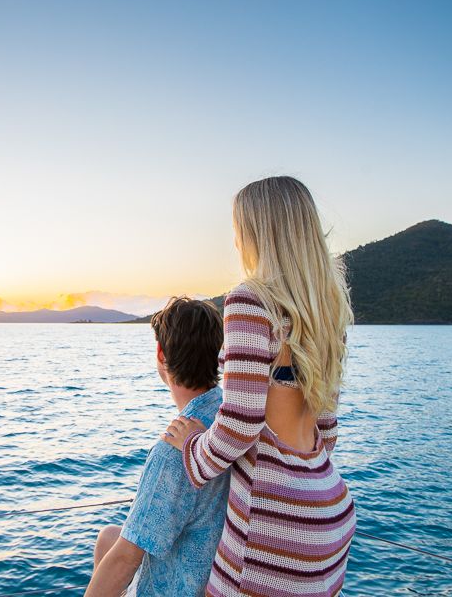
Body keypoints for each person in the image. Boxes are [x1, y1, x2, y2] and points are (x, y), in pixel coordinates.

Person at [163, 176, 356, 597]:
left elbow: (239, 424)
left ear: (257, 234)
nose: (236, 244)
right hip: (330, 512)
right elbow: (327, 430)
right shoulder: (327, 313)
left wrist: (193, 447)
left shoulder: (250, 301)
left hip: (274, 525)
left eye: (239, 232)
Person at [85, 297, 230, 596]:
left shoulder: (172, 452)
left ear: (161, 354)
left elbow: (127, 558)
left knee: (119, 550)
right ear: (217, 355)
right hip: (216, 571)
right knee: (108, 536)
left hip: (181, 587)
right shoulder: (231, 419)